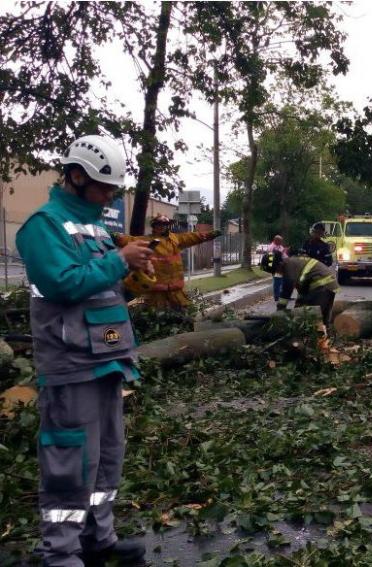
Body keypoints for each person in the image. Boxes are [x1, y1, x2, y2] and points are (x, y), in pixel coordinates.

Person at [17, 135, 153, 566]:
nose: (110, 195)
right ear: (77, 176)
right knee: (70, 457)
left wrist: (131, 275)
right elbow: (63, 283)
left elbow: (100, 287)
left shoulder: (94, 227)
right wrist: (118, 261)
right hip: (70, 362)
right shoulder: (44, 226)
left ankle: (98, 538)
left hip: (106, 358)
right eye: (104, 186)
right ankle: (60, 552)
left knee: (107, 454)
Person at [113, 214, 221, 309]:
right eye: (158, 224)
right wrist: (115, 237)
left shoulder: (175, 239)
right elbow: (129, 240)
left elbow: (192, 237)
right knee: (157, 320)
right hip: (155, 295)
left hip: (176, 294)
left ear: (167, 226)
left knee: (183, 321)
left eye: (164, 224)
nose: (161, 227)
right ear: (154, 226)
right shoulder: (147, 241)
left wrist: (210, 235)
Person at [274, 255, 339, 324]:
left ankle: (319, 332)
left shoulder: (289, 267)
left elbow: (286, 290)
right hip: (329, 285)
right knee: (322, 319)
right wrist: (298, 305)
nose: (278, 273)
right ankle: (326, 331)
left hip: (322, 286)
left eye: (276, 270)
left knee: (312, 319)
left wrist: (280, 310)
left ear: (280, 264)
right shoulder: (294, 263)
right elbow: (303, 290)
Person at [259, 236, 287, 303]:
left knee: (281, 281)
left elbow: (284, 255)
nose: (281, 242)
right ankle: (277, 297)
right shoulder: (271, 247)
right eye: (280, 241)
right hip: (276, 267)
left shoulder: (280, 247)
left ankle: (280, 295)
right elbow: (271, 259)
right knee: (277, 281)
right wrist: (276, 267)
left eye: (281, 241)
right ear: (275, 240)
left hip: (281, 266)